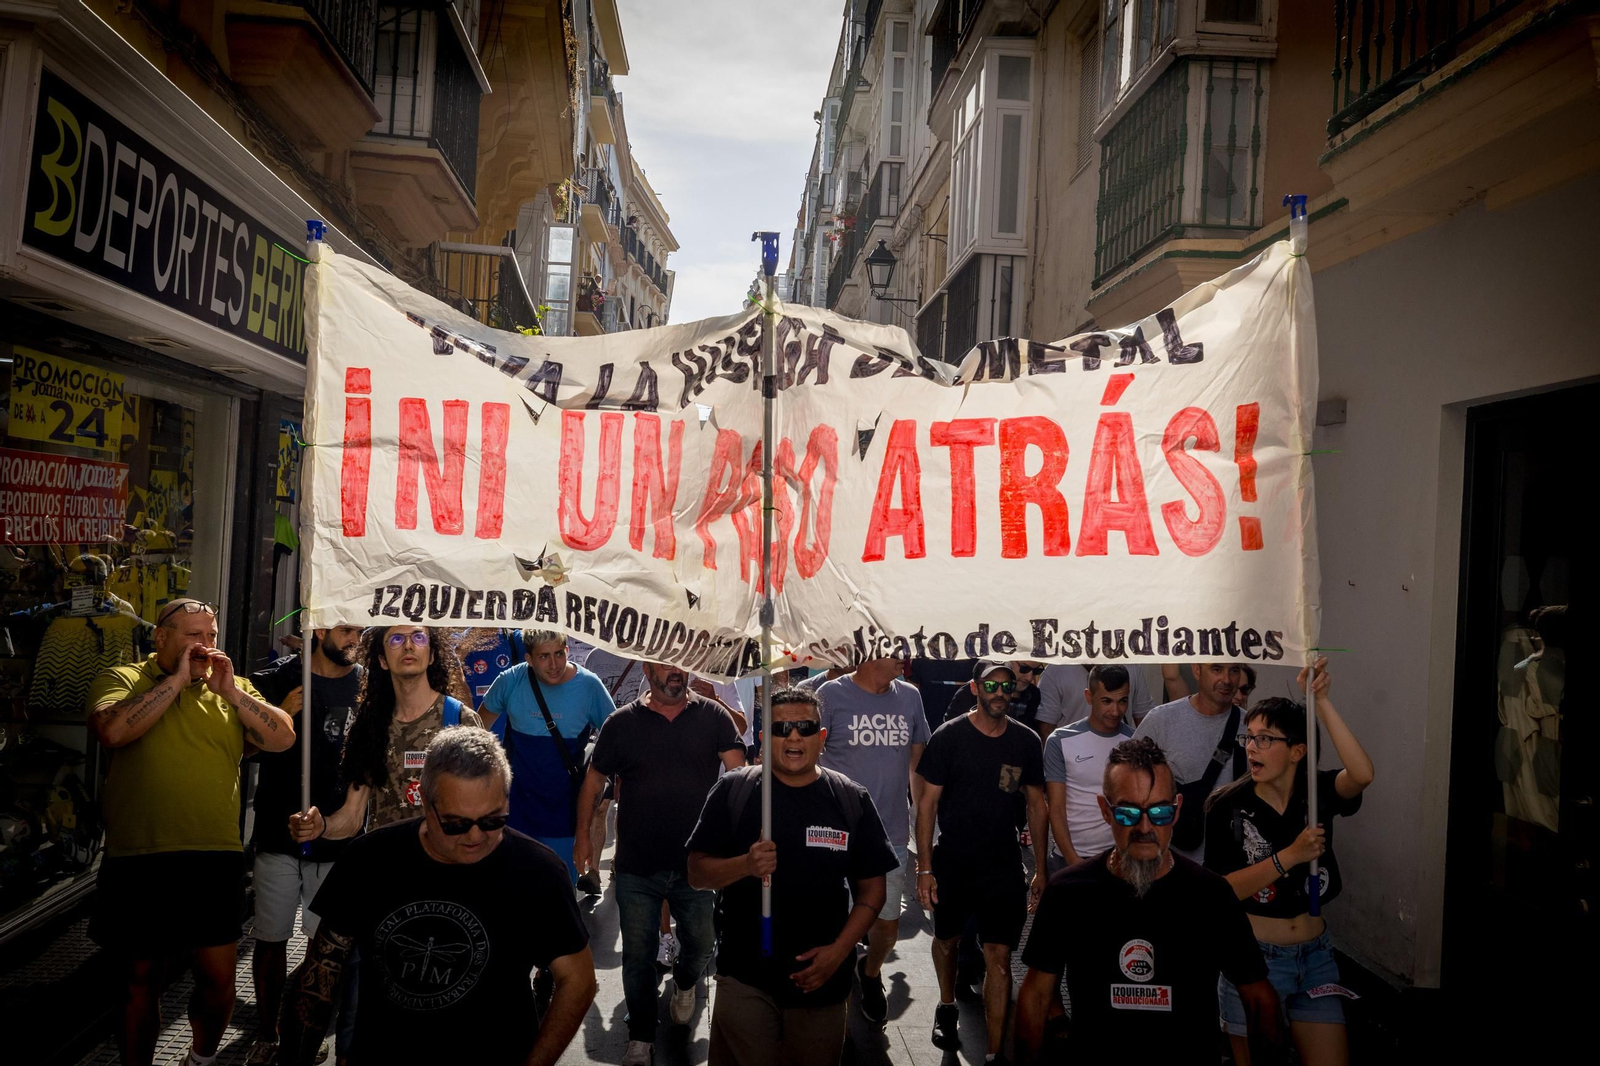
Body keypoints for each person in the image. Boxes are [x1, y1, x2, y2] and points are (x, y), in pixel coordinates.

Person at [275, 727, 597, 1065]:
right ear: (426, 804)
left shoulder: (539, 872)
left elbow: (578, 980)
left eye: (493, 820)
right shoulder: (370, 859)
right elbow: (319, 980)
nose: (475, 835)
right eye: (456, 824)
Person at [85, 598, 296, 1066]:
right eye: (193, 636)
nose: (206, 646)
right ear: (162, 638)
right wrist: (177, 681)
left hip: (214, 856)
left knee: (219, 980)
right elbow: (113, 732)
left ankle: (199, 1060)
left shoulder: (232, 687)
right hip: (139, 854)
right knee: (140, 979)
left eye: (212, 636)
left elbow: (283, 737)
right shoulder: (123, 678)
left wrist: (234, 695)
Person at [1015, 737, 1285, 1066]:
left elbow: (1260, 999)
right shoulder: (1069, 891)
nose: (1145, 827)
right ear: (1105, 811)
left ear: (1177, 810)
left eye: (1159, 812)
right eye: (1128, 813)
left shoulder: (1210, 896)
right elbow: (1036, 994)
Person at [687, 687, 899, 1065]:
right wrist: (745, 866)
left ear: (822, 737)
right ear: (765, 736)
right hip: (745, 976)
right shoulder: (734, 790)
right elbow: (696, 874)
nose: (794, 736)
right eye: (782, 728)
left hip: (821, 982)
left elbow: (872, 892)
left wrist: (840, 952)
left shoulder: (850, 799)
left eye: (805, 726)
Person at [574, 661, 746, 1066]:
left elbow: (739, 774)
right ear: (647, 670)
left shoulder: (713, 715)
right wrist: (584, 836)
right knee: (638, 953)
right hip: (637, 864)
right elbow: (593, 781)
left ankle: (686, 982)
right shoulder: (621, 723)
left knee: (703, 942)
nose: (675, 672)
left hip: (697, 863)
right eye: (664, 665)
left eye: (680, 665)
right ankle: (640, 1039)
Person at [1204, 658, 1375, 1065]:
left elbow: (1363, 773)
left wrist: (1322, 700)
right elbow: (1222, 890)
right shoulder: (1227, 805)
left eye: (1266, 739)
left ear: (1297, 750)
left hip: (1316, 957)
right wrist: (1290, 857)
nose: (1252, 746)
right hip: (1254, 957)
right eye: (1250, 737)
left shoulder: (1315, 792)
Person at [246, 624, 365, 1065]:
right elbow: (243, 748)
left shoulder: (367, 684)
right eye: (346, 629)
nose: (355, 637)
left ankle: (308, 1028)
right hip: (278, 832)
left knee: (326, 946)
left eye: (358, 629)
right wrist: (278, 713)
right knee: (271, 938)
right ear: (318, 630)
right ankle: (267, 1032)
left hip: (338, 837)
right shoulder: (275, 679)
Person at [915, 661, 1047, 1060]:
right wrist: (924, 868)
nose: (1000, 692)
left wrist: (1041, 867)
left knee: (999, 956)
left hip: (1003, 863)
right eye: (991, 684)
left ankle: (992, 1053)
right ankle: (947, 1004)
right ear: (975, 688)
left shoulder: (1024, 741)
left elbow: (1037, 804)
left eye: (1007, 686)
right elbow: (927, 805)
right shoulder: (949, 737)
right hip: (953, 859)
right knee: (947, 941)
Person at [288, 625, 482, 846]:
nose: (408, 645)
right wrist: (321, 826)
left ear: (432, 656)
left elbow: (483, 810)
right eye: (396, 639)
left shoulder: (460, 720)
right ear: (382, 660)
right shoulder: (371, 724)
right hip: (385, 868)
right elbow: (352, 817)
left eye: (418, 637)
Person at [815, 657, 930, 1025]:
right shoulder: (830, 694)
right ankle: (833, 998)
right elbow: (811, 758)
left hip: (890, 833)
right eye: (896, 650)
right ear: (870, 654)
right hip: (834, 834)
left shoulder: (910, 697)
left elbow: (917, 766)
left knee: (887, 928)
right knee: (835, 922)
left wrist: (922, 823)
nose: (904, 659)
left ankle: (870, 972)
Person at [476, 628, 615, 883]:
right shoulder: (510, 680)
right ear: (528, 658)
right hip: (516, 813)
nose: (554, 665)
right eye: (544, 657)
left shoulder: (589, 685)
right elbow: (476, 732)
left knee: (558, 897)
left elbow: (617, 740)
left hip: (564, 815)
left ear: (568, 651)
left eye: (559, 654)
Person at [1133, 662, 1248, 860]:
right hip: (1168, 863)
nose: (1227, 680)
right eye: (1217, 669)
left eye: (1234, 670)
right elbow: (1128, 781)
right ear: (1197, 670)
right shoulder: (1161, 720)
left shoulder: (1252, 728)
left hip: (1231, 866)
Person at [1043, 664, 1135, 870]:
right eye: (1106, 701)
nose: (1115, 710)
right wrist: (1072, 860)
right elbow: (1056, 808)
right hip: (1068, 858)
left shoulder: (1134, 741)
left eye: (1123, 701)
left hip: (1119, 859)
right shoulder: (1060, 740)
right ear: (1089, 696)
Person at [1035, 662, 1165, 740]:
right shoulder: (1056, 670)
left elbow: (1145, 721)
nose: (1114, 712)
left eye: (1123, 700)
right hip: (1073, 762)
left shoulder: (1132, 667)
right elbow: (1045, 730)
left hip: (1122, 759)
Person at [942, 658, 1044, 731]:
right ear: (975, 689)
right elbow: (951, 731)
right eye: (1024, 669)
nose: (1029, 678)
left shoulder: (1033, 695)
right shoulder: (967, 694)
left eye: (1036, 671)